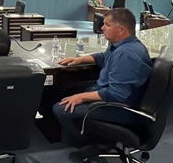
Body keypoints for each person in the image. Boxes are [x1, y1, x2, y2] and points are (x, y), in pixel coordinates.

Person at [52, 8, 153, 152]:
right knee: (68, 90)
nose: (102, 28)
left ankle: (88, 141)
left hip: (120, 107)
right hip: (108, 93)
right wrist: (78, 60)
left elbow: (116, 95)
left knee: (60, 109)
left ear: (121, 29)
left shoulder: (127, 55)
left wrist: (81, 96)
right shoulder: (121, 45)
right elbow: (103, 57)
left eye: (107, 25)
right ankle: (96, 135)